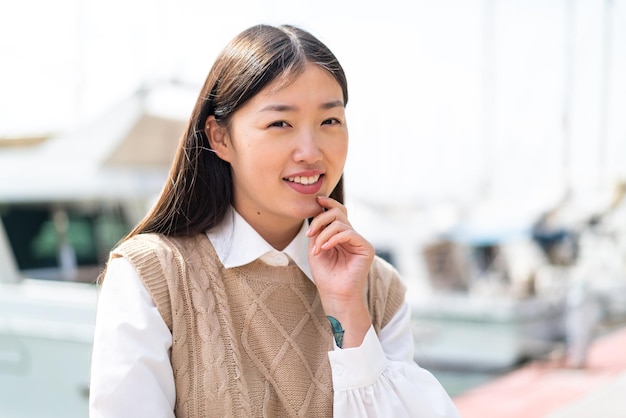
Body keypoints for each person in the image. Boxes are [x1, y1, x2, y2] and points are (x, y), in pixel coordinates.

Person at [89, 24, 460, 418]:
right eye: (280, 123)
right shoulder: (153, 277)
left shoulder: (379, 289)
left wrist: (348, 309)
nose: (310, 151)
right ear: (220, 138)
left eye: (329, 121)